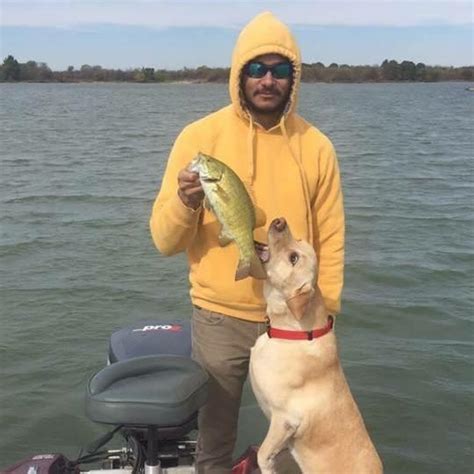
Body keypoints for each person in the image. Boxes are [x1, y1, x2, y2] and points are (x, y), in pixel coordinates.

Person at [150, 11, 345, 474]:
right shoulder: (200, 138)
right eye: (257, 68)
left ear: (293, 78)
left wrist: (325, 311)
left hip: (298, 321)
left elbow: (332, 236)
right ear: (239, 73)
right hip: (221, 319)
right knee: (215, 442)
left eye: (280, 69)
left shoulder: (317, 147)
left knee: (307, 438)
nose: (268, 80)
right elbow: (163, 240)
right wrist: (185, 200)